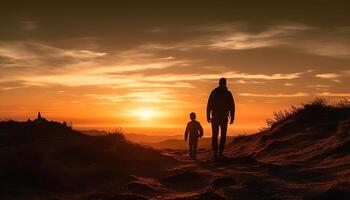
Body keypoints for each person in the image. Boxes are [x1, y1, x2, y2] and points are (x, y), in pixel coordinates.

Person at [206, 78, 235, 161]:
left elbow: (232, 106)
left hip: (221, 116)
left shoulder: (222, 93)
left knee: (220, 135)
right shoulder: (217, 92)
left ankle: (219, 152)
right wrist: (208, 116)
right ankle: (217, 152)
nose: (222, 84)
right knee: (217, 135)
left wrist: (232, 117)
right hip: (217, 116)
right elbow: (209, 105)